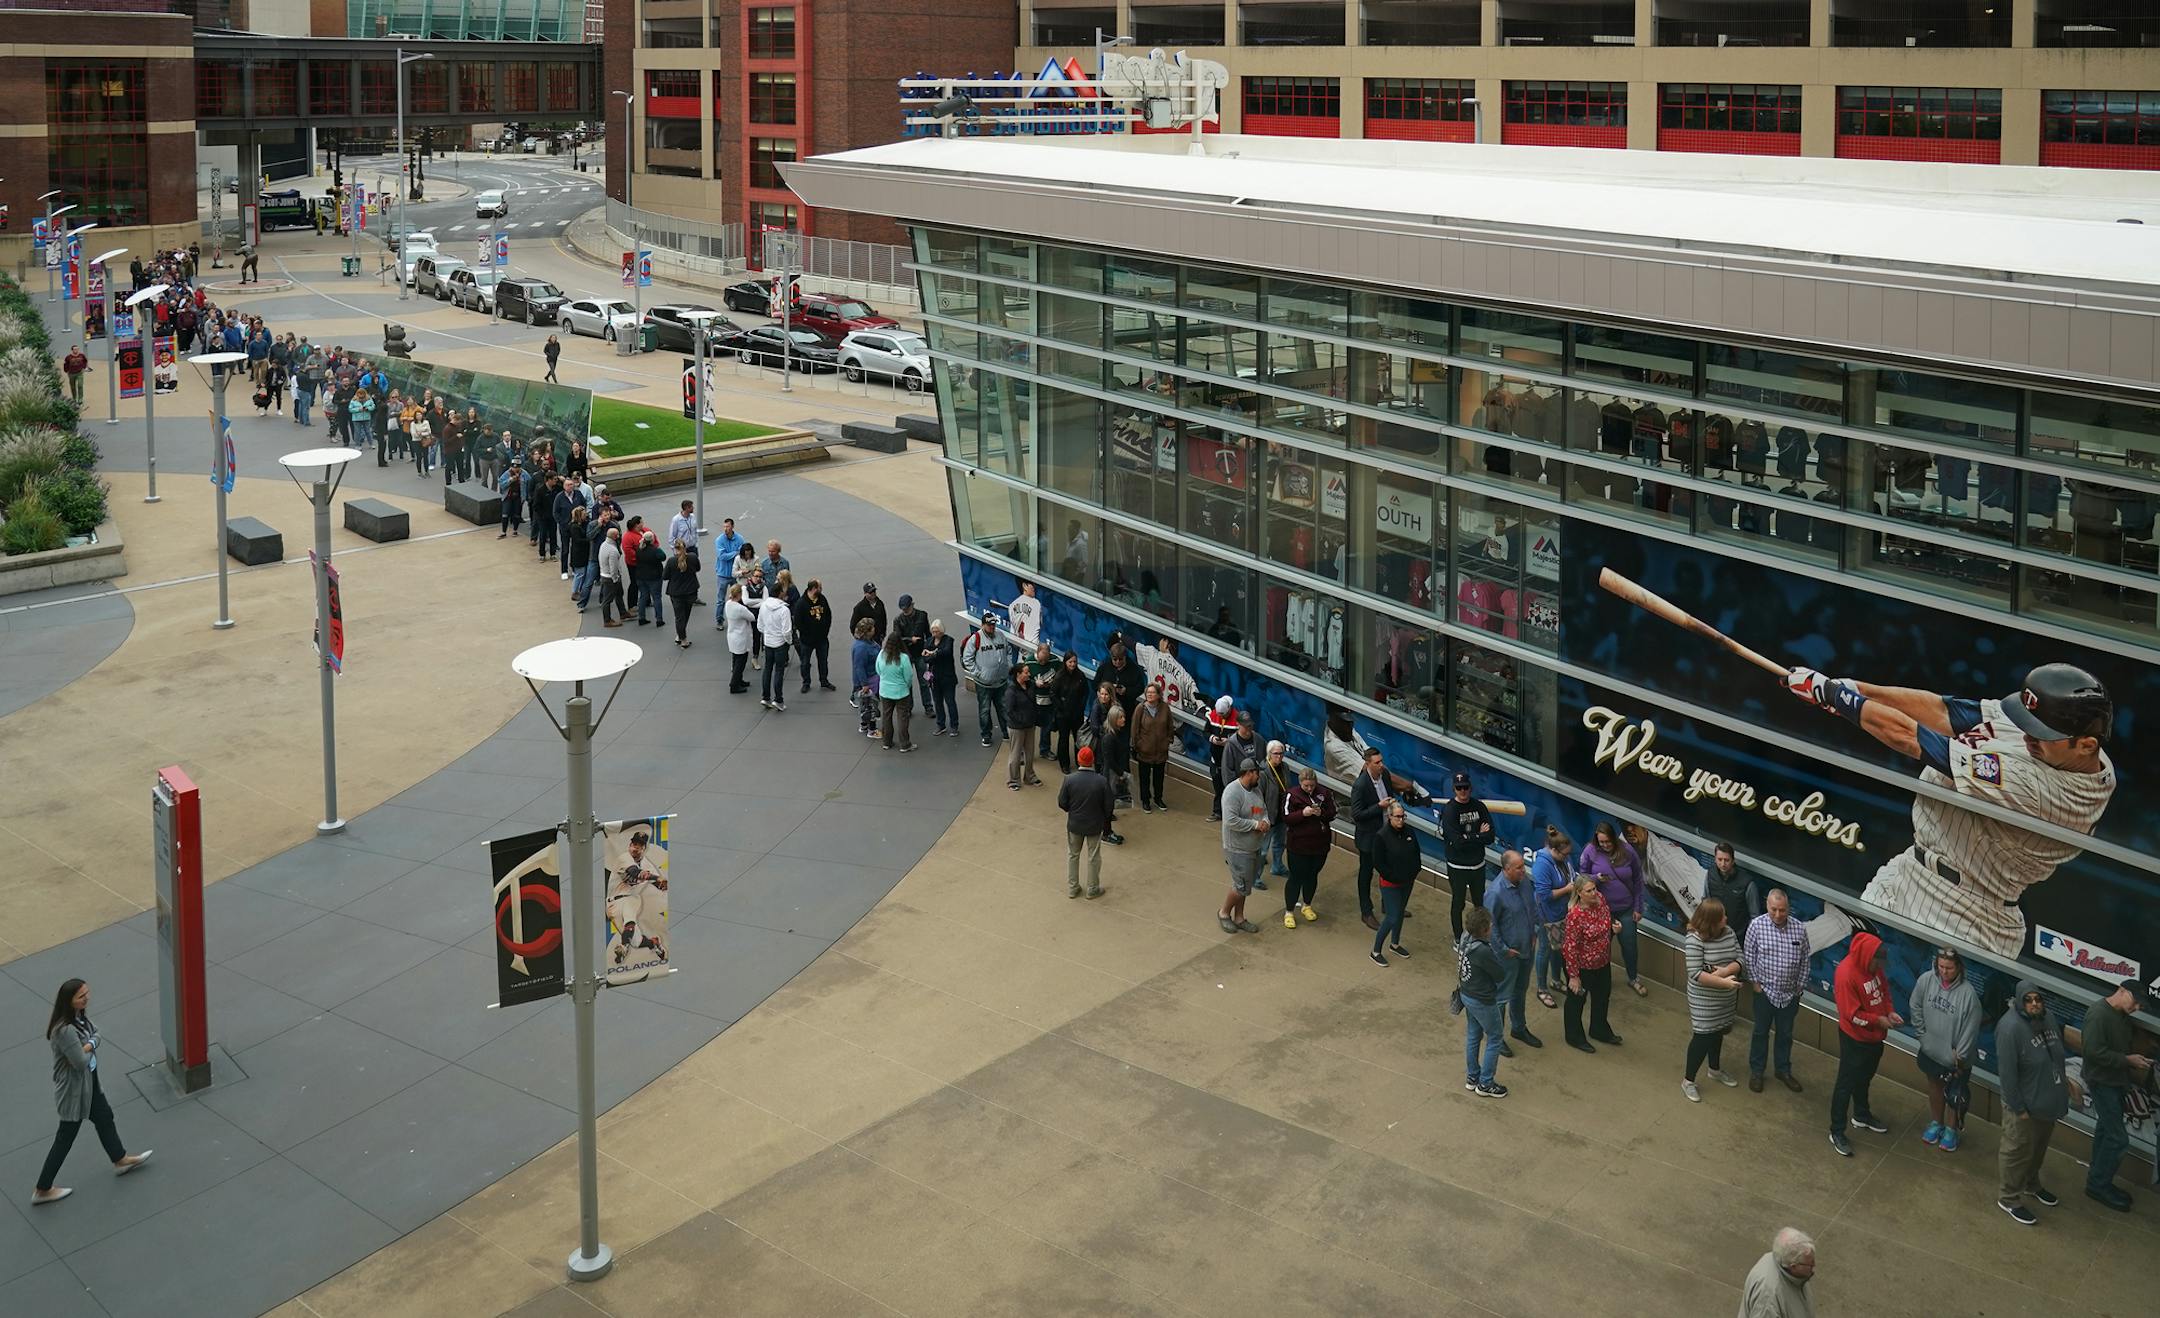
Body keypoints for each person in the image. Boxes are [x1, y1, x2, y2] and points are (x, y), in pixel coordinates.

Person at [1781, 662, 2113, 956]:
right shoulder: (2064, 745)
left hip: (1964, 913)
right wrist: (1855, 691)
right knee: (1846, 972)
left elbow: (1912, 739)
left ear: (2086, 745)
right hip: (1911, 870)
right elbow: (1947, 713)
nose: (2028, 735)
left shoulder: (2051, 794)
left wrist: (1836, 697)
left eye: (2041, 734)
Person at [32, 979, 152, 1205]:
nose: (86, 998)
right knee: (65, 1138)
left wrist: (88, 1044)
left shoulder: (80, 1018)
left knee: (105, 1117)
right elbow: (78, 1061)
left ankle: (120, 1159)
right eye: (80, 996)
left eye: (86, 993)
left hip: (89, 1084)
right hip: (74, 1092)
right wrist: (89, 1047)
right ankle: (42, 1189)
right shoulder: (66, 1030)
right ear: (69, 1002)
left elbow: (97, 1034)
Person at [1995, 979, 2070, 1225]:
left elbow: (2056, 1058)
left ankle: (2031, 1184)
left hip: (2047, 1104)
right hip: (2024, 1108)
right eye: (2028, 1000)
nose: (2034, 1003)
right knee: (2017, 1151)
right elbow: (2007, 1075)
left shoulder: (2047, 1019)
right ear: (2019, 1001)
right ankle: (2009, 1198)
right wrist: (2018, 1108)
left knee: (2037, 1149)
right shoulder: (2009, 1028)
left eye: (2038, 999)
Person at [2078, 978, 2152, 1210]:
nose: (2136, 1008)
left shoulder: (2121, 1016)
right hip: (2102, 1082)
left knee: (2106, 1130)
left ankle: (2096, 1176)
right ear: (2121, 991)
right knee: (2118, 1139)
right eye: (2135, 1002)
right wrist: (2127, 1060)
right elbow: (2092, 1052)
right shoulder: (2098, 1014)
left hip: (2115, 1082)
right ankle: (2098, 1185)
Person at [1827, 931, 1899, 1157]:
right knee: (1845, 1084)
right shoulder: (1846, 974)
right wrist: (1878, 1020)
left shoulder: (1875, 967)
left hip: (1875, 1038)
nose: (1879, 968)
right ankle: (1836, 1130)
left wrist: (1890, 1012)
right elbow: (1851, 1014)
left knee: (1864, 1078)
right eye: (1877, 963)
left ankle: (1861, 1115)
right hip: (1854, 1039)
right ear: (1868, 957)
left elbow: (1884, 991)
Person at [1908, 947, 1980, 1151]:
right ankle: (1936, 1123)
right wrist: (1922, 1034)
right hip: (1931, 1050)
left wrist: (1961, 1056)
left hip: (1954, 1058)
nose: (1944, 972)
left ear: (1958, 967)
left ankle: (1950, 1129)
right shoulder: (1926, 980)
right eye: (1941, 967)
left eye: (1949, 968)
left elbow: (1971, 1028)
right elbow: (1915, 1005)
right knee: (1934, 1087)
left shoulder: (1968, 995)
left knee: (1953, 1095)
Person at [1744, 887, 1810, 1094]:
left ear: (1788, 908)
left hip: (1790, 995)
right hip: (1765, 992)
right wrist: (1755, 984)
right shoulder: (1756, 926)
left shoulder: (1799, 928)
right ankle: (1757, 1071)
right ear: (1767, 906)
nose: (1778, 915)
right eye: (1774, 910)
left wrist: (1800, 987)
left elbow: (1805, 959)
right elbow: (1749, 956)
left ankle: (1783, 1070)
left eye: (1782, 910)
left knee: (1785, 1034)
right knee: (1760, 1032)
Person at [1681, 897, 1744, 1102]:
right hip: (1704, 999)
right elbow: (1696, 974)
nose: (1726, 918)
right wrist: (1724, 982)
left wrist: (1725, 971)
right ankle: (1688, 1081)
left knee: (1718, 1032)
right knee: (1703, 1036)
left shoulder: (1729, 933)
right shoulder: (1694, 939)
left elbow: (1740, 960)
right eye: (1722, 916)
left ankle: (1714, 1070)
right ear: (1711, 921)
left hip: (1725, 998)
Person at [1579, 822, 1647, 997]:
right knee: (1599, 949)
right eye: (1601, 842)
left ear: (1613, 838)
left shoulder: (1627, 851)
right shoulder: (1590, 851)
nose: (1605, 845)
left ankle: (1633, 978)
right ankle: (1598, 980)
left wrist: (1638, 907)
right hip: (1601, 911)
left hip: (1625, 909)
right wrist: (1597, 878)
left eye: (1608, 841)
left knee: (1630, 947)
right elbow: (1582, 877)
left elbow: (1639, 880)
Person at [1485, 849, 1541, 1050]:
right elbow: (1490, 926)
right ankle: (1496, 1037)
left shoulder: (1524, 882)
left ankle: (1519, 1028)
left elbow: (1531, 908)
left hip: (1527, 949)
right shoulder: (1495, 893)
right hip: (1508, 955)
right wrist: (1503, 950)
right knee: (1501, 996)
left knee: (1520, 990)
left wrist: (1534, 931)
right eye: (1518, 867)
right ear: (1506, 869)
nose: (1523, 870)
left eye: (1523, 866)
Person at [1560, 876, 1623, 1053]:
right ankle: (1574, 1036)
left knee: (1603, 996)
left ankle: (1599, 1029)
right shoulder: (1575, 916)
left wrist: (1613, 929)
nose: (1594, 893)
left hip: (1602, 961)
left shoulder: (1601, 900)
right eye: (1589, 891)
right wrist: (1573, 976)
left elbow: (1606, 920)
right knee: (1577, 1001)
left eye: (1594, 888)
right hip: (1582, 967)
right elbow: (1570, 947)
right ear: (1579, 893)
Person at [1437, 771, 1494, 939]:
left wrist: (1468, 837)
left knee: (1479, 904)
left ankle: (1481, 935)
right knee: (1458, 902)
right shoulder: (1449, 810)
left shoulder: (1479, 806)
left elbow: (1490, 837)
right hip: (1457, 866)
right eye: (1459, 788)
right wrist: (1478, 835)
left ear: (1470, 788)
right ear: (1454, 789)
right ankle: (1457, 937)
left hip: (1477, 865)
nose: (1462, 791)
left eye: (1465, 787)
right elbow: (1456, 842)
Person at [1459, 906, 1508, 1097]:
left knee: (1473, 1035)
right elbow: (1500, 974)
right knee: (1495, 1037)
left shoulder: (1464, 938)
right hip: (1482, 999)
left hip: (1467, 993)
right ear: (1485, 930)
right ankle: (1486, 1083)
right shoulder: (1483, 951)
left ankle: (1473, 1077)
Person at [1219, 758, 1269, 935]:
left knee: (1245, 885)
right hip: (1237, 848)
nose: (1259, 776)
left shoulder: (1256, 790)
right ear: (1249, 773)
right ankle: (1224, 914)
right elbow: (1231, 821)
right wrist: (1256, 826)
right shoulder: (1232, 792)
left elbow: (1261, 811)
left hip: (1253, 846)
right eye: (1257, 773)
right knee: (1241, 886)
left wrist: (1264, 821)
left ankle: (1239, 918)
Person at [1058, 745, 1115, 900]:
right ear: (1092, 760)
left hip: (1075, 824)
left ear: (1078, 759)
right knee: (1094, 857)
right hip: (1094, 825)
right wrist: (1103, 818)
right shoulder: (1101, 781)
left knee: (1073, 855)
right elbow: (1109, 806)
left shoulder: (1069, 779)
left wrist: (1073, 810)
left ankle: (1072, 887)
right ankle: (1092, 888)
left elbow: (1062, 803)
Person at [1280, 768, 1334, 928]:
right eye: (1306, 786)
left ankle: (1307, 905)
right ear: (1300, 783)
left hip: (1320, 845)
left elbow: (1332, 813)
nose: (1310, 788)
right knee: (1296, 878)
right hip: (1298, 846)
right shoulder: (1292, 794)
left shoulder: (1325, 793)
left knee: (1312, 876)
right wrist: (1303, 813)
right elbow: (1286, 818)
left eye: (1312, 785)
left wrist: (1321, 813)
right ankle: (1289, 911)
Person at [1369, 799, 1420, 965]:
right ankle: (1375, 951)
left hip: (1407, 881)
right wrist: (1393, 877)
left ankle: (1395, 943)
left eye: (1402, 816)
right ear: (1389, 817)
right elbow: (1379, 863)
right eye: (1397, 817)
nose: (1400, 820)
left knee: (1400, 913)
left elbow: (1416, 853)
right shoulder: (1381, 836)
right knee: (1392, 916)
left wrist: (1414, 871)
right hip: (1391, 884)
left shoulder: (1409, 831)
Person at [1531, 827, 1574, 1011]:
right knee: (1545, 950)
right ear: (1554, 850)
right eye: (1564, 855)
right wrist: (1567, 889)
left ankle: (1556, 980)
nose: (1567, 857)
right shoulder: (1542, 865)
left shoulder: (1564, 858)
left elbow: (1571, 874)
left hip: (1562, 912)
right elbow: (1545, 895)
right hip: (1546, 915)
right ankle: (1542, 988)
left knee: (1559, 949)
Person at [1350, 747, 1394, 931]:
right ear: (1368, 764)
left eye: (1381, 761)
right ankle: (1366, 912)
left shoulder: (1385, 776)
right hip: (1369, 838)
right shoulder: (1360, 785)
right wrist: (1379, 806)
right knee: (1366, 874)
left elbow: (1391, 795)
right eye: (1377, 763)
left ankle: (1388, 904)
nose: (1381, 765)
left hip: (1386, 834)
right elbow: (1357, 814)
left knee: (1388, 871)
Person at [1738, 1228, 1816, 1318]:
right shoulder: (1768, 1299)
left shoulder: (1780, 1256)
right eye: (1810, 1265)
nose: (1813, 1268)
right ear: (1793, 1266)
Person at [961, 615, 1011, 747]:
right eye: (989, 625)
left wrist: (1008, 666)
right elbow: (967, 659)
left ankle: (1007, 732)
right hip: (984, 684)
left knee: (1004, 708)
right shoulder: (975, 639)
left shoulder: (1000, 635)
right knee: (984, 710)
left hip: (1001, 682)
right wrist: (978, 673)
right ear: (983, 625)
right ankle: (986, 735)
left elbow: (1009, 651)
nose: (992, 627)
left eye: (994, 624)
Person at [1130, 681, 1173, 812]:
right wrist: (1138, 745)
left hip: (1161, 751)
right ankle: (1145, 800)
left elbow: (1170, 726)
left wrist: (1168, 741)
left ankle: (1158, 798)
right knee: (1144, 777)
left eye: (1153, 692)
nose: (1150, 695)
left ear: (1159, 694)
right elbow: (1134, 729)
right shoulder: (1140, 709)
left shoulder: (1165, 708)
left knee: (1159, 778)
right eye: (1148, 692)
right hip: (1144, 751)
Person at [1704, 842, 1762, 932]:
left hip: (1738, 935)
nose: (1723, 864)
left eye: (1726, 860)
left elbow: (1755, 916)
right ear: (1715, 859)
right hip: (1715, 932)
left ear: (1733, 860)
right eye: (1719, 859)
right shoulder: (1710, 874)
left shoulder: (1747, 883)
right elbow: (1706, 902)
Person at [875, 632, 917, 751]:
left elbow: (878, 670)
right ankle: (905, 744)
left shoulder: (881, 654)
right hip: (900, 692)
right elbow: (908, 676)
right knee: (902, 717)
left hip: (885, 691)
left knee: (886, 717)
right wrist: (906, 686)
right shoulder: (903, 658)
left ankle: (886, 742)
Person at [1049, 652, 1090, 774]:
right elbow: (1053, 694)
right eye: (1070, 662)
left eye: (1074, 662)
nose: (1072, 664)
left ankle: (1080, 761)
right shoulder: (1059, 676)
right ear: (1065, 662)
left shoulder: (1081, 676)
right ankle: (1064, 764)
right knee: (1063, 739)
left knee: (1078, 739)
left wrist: (1081, 707)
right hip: (1063, 715)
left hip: (1077, 714)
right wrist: (1061, 707)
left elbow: (1085, 692)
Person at [757, 585, 795, 710]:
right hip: (780, 644)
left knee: (767, 669)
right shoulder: (784, 610)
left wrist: (768, 633)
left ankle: (766, 697)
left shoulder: (763, 606)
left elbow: (760, 626)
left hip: (768, 643)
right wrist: (789, 642)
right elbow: (786, 631)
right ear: (779, 593)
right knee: (779, 671)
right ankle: (778, 699)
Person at [792, 579, 834, 692]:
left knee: (823, 661)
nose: (821, 589)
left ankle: (824, 680)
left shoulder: (822, 599)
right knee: (805, 663)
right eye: (820, 587)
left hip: (822, 639)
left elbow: (828, 615)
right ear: (814, 588)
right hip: (807, 641)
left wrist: (825, 631)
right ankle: (806, 682)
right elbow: (798, 622)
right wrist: (808, 634)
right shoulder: (801, 603)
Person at [1258, 741, 1293, 879]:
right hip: (1267, 816)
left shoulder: (1285, 767)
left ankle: (1277, 866)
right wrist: (1260, 818)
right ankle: (1256, 877)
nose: (1279, 757)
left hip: (1281, 814)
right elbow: (1257, 798)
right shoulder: (1262, 772)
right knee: (1262, 850)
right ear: (1269, 754)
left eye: (1281, 753)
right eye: (1276, 754)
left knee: (1280, 843)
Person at [1005, 662, 1042, 788]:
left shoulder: (1030, 685)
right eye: (1026, 672)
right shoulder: (1011, 691)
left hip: (1030, 725)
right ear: (1018, 674)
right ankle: (1014, 780)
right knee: (1015, 754)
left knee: (1030, 752)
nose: (1029, 674)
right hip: (1017, 727)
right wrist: (1022, 720)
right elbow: (1009, 711)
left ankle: (1029, 776)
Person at [923, 620, 960, 735]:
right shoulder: (929, 641)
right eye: (933, 632)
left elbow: (947, 652)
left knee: (950, 702)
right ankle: (941, 724)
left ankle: (954, 725)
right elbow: (925, 658)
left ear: (941, 631)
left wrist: (932, 654)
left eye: (937, 631)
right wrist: (934, 654)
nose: (935, 634)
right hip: (934, 678)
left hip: (947, 677)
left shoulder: (948, 640)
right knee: (937, 702)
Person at [1204, 695, 1237, 821]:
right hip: (1215, 758)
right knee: (1217, 787)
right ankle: (1217, 812)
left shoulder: (1238, 719)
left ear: (1229, 708)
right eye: (1220, 714)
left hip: (1230, 761)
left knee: (1230, 789)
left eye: (1224, 714)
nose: (1221, 717)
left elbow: (1242, 738)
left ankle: (1230, 813)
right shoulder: (1213, 715)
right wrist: (1213, 738)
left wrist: (1228, 741)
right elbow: (1205, 731)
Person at [662, 541, 699, 649]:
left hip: (676, 592)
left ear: (675, 549)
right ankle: (681, 635)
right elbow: (698, 568)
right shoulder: (692, 557)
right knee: (686, 614)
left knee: (679, 617)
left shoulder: (671, 561)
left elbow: (665, 576)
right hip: (690, 591)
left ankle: (682, 638)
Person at [849, 618, 880, 737]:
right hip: (868, 680)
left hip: (871, 678)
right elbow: (859, 667)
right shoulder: (861, 648)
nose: (874, 629)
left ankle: (864, 726)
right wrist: (865, 684)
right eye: (872, 628)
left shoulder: (868, 642)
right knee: (871, 706)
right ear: (867, 631)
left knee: (865, 705)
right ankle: (872, 730)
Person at [724, 584, 756, 693]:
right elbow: (752, 617)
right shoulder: (740, 608)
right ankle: (734, 685)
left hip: (732, 636)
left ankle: (738, 680)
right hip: (741, 637)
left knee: (735, 660)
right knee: (740, 663)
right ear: (739, 594)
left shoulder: (728, 604)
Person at [596, 524, 627, 628]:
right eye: (618, 535)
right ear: (614, 536)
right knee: (607, 600)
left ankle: (623, 613)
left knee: (619, 594)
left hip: (605, 575)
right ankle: (607, 620)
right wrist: (615, 579)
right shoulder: (613, 550)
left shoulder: (604, 545)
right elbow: (613, 567)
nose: (619, 536)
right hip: (611, 578)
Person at [567, 507, 594, 609]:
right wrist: (589, 540)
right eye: (583, 514)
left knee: (582, 573)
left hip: (582, 553)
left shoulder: (580, 525)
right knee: (579, 573)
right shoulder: (575, 527)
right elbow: (578, 540)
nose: (585, 515)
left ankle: (579, 590)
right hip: (578, 554)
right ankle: (574, 592)